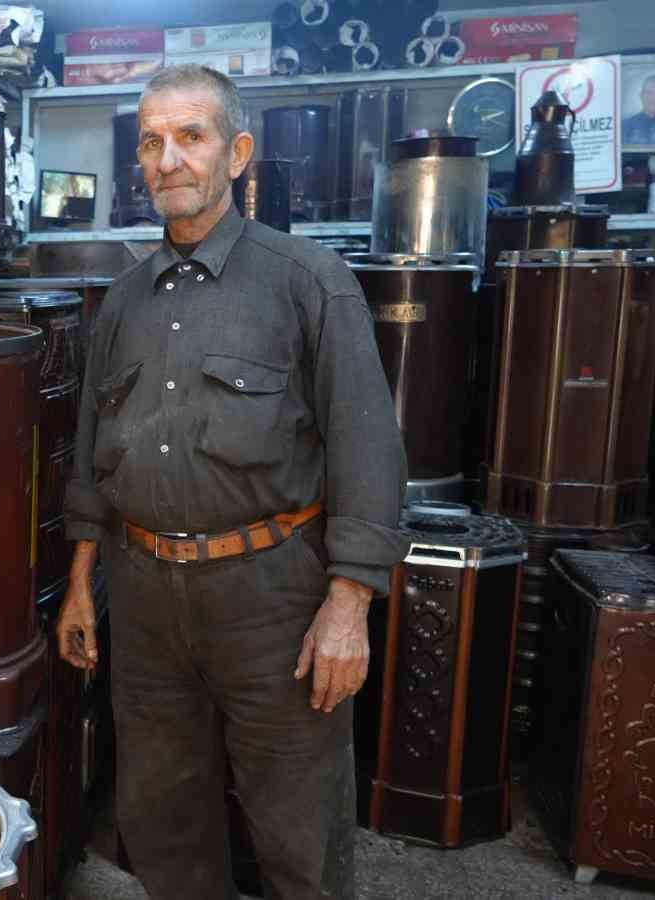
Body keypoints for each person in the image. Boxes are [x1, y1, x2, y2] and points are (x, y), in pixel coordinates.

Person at [57, 64, 408, 900]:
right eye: (150, 141)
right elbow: (90, 452)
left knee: (298, 829)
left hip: (273, 601)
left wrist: (349, 607)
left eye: (191, 136)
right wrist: (80, 583)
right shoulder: (123, 302)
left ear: (237, 153)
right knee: (163, 818)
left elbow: (370, 450)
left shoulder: (309, 283)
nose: (168, 158)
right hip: (142, 602)